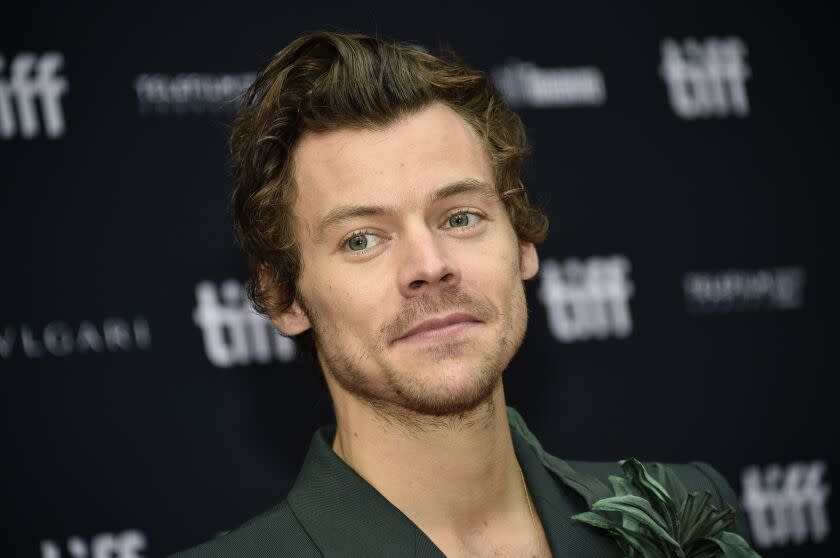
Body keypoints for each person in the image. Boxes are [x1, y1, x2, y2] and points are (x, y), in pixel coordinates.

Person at [172, 31, 751, 557]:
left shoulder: (686, 511)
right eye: (363, 239)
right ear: (284, 298)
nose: (430, 265)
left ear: (522, 240)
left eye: (461, 218)